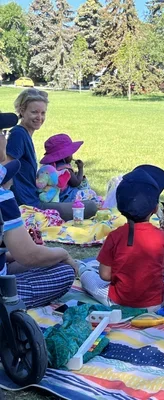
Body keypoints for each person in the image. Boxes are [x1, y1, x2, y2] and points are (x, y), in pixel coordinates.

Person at [0, 112, 77, 309]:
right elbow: (30, 255)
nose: (4, 138)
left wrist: (10, 254)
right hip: (2, 296)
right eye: (2, 132)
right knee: (63, 271)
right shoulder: (2, 197)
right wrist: (63, 254)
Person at [80, 165, 164, 310]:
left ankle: (80, 268)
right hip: (155, 304)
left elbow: (104, 275)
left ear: (120, 208)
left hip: (119, 302)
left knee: (87, 277)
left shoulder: (115, 236)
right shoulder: (161, 236)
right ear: (155, 209)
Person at [5, 89, 98, 221]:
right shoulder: (18, 134)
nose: (39, 117)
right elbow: (5, 168)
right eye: (34, 112)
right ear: (21, 111)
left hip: (33, 198)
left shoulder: (24, 134)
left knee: (87, 204)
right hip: (30, 205)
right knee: (91, 207)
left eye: (43, 113)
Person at [40, 133, 103, 206]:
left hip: (55, 197)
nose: (72, 156)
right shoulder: (65, 169)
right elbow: (76, 183)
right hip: (68, 198)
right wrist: (80, 169)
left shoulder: (49, 167)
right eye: (70, 154)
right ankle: (96, 205)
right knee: (91, 193)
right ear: (64, 156)